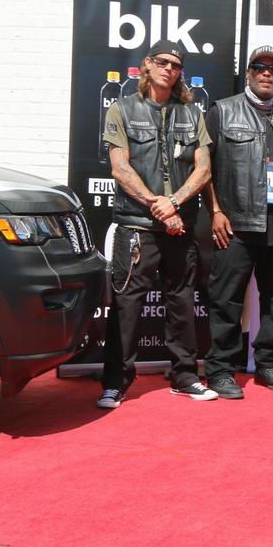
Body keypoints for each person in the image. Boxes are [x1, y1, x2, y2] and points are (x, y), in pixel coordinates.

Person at [97, 38, 216, 408]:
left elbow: (204, 169)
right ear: (147, 64)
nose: (169, 69)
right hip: (137, 226)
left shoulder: (192, 113)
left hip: (180, 224)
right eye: (163, 62)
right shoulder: (121, 109)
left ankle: (184, 376)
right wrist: (156, 204)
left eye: (176, 65)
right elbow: (120, 168)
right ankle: (116, 381)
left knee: (181, 301)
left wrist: (175, 202)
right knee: (127, 304)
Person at [203, 46, 273, 399]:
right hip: (235, 225)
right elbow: (203, 170)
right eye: (259, 67)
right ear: (248, 72)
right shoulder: (222, 111)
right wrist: (216, 213)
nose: (267, 73)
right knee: (227, 300)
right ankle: (221, 370)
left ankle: (267, 363)